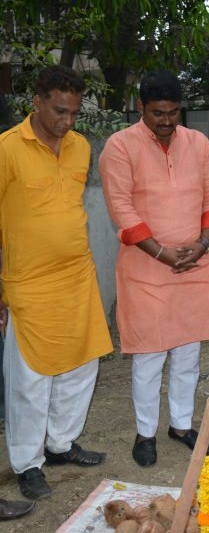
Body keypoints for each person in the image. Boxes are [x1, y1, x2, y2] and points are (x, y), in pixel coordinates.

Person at [100, 70, 209, 467]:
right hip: (147, 270)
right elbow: (121, 208)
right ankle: (145, 432)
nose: (168, 121)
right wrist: (161, 253)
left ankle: (181, 425)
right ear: (141, 108)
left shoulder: (199, 143)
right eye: (158, 113)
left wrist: (203, 243)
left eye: (174, 112)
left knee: (190, 353)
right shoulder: (119, 147)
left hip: (196, 264)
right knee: (149, 355)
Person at [0, 65, 113, 500]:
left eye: (73, 113)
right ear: (37, 103)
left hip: (77, 275)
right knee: (30, 380)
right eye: (60, 112)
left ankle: (61, 444)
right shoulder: (9, 149)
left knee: (82, 365)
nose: (67, 122)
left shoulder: (81, 147)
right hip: (29, 282)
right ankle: (27, 463)